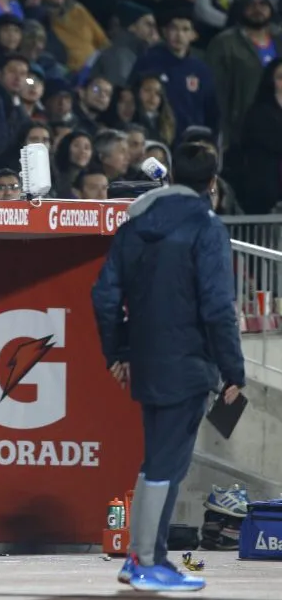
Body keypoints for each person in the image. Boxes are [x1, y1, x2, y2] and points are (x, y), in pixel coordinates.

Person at [91, 144, 245, 592]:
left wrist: (117, 352)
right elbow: (218, 306)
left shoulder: (136, 221)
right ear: (212, 184)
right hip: (189, 363)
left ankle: (141, 559)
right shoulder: (206, 226)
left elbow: (104, 294)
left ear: (174, 173)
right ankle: (145, 561)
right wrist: (233, 369)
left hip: (146, 360)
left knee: (157, 460)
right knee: (166, 464)